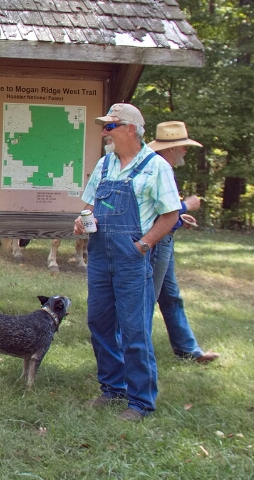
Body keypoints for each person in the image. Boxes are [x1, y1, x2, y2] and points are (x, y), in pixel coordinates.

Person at [74, 103, 181, 421]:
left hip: (132, 260)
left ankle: (141, 401)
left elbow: (171, 214)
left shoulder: (156, 167)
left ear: (130, 129)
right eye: (103, 127)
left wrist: (144, 245)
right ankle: (112, 389)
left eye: (110, 127)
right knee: (99, 323)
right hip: (99, 257)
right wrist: (82, 221)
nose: (104, 133)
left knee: (135, 330)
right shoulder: (105, 164)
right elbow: (90, 206)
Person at [147, 121, 219, 364]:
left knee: (170, 297)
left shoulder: (162, 168)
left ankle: (189, 350)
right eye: (183, 146)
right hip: (156, 243)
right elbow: (152, 213)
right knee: (146, 300)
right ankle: (135, 355)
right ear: (171, 148)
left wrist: (178, 219)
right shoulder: (158, 170)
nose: (186, 150)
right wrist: (187, 205)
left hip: (164, 241)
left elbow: (162, 211)